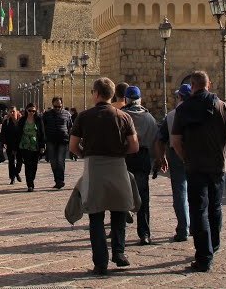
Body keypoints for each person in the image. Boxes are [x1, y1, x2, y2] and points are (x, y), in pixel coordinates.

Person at [170, 71, 226, 272]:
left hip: (194, 167)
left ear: (192, 86)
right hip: (217, 166)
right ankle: (215, 245)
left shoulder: (183, 109)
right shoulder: (223, 107)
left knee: (198, 209)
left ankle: (204, 257)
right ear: (208, 85)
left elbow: (175, 141)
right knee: (216, 206)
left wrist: (186, 158)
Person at [68, 77, 140, 275]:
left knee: (96, 216)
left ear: (96, 94)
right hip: (118, 166)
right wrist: (118, 152)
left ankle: (100, 262)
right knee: (119, 211)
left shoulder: (84, 117)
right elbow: (134, 146)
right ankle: (119, 253)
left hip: (94, 168)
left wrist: (85, 153)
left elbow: (73, 146)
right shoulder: (124, 116)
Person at [121, 85, 158, 245]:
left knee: (122, 193)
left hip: (125, 157)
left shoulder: (122, 116)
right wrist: (157, 160)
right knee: (143, 195)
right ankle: (144, 233)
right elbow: (155, 142)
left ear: (126, 100)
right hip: (143, 157)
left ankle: (120, 227)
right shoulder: (150, 118)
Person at [156, 83, 192, 242]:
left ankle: (183, 228)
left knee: (180, 192)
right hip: (199, 156)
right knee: (200, 192)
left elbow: (160, 138)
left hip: (177, 156)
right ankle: (199, 227)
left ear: (179, 97)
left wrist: (161, 157)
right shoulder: (204, 111)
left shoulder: (171, 115)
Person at [42, 97, 73, 189]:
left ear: (62, 105)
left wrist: (71, 139)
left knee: (60, 160)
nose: (57, 108)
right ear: (52, 105)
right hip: (51, 140)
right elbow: (43, 127)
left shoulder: (67, 114)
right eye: (55, 106)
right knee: (53, 162)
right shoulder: (47, 115)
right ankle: (57, 180)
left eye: (59, 106)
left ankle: (60, 180)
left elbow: (70, 127)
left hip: (63, 140)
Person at [17, 103, 46, 192]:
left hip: (35, 145)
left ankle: (31, 179)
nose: (31, 113)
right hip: (25, 145)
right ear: (26, 110)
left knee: (34, 165)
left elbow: (42, 133)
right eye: (30, 111)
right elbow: (18, 133)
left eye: (33, 111)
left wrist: (42, 146)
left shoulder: (38, 119)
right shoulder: (22, 120)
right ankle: (30, 184)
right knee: (28, 164)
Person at [1, 106, 24, 185]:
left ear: (17, 112)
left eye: (13, 111)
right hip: (10, 144)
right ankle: (12, 178)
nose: (12, 113)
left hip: (20, 144)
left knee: (20, 161)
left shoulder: (21, 121)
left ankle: (16, 173)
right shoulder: (6, 122)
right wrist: (3, 142)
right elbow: (3, 133)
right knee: (11, 161)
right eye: (10, 112)